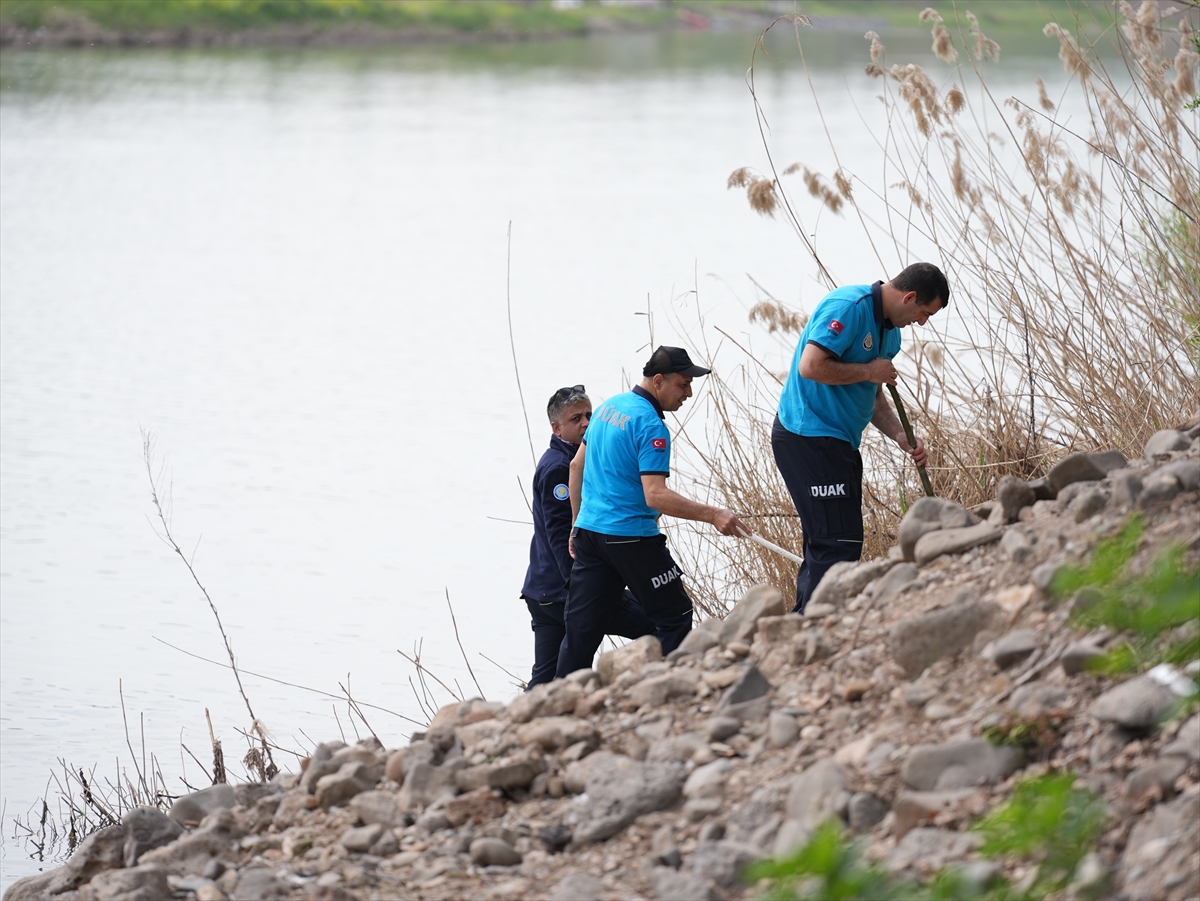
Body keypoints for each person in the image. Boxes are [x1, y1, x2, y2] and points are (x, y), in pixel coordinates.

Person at [555, 347, 749, 679]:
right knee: (675, 615)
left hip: (590, 537)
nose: (688, 393)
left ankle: (558, 704)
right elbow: (655, 495)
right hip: (631, 539)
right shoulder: (651, 425)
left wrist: (576, 523)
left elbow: (575, 467)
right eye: (683, 384)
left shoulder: (606, 408)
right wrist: (714, 514)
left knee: (580, 633)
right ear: (658, 381)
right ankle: (668, 691)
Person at [772, 263, 949, 613]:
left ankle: (800, 626)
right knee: (838, 543)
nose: (922, 322)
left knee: (833, 541)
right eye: (924, 313)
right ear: (910, 296)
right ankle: (817, 625)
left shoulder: (891, 335)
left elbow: (872, 396)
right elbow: (811, 366)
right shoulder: (848, 307)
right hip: (808, 435)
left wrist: (900, 434)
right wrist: (871, 370)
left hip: (840, 444)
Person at [520, 385, 653, 688]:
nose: (585, 423)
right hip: (563, 590)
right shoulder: (559, 468)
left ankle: (521, 728)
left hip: (543, 591)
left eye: (589, 415)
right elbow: (559, 533)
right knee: (659, 623)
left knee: (547, 680)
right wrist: (579, 587)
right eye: (575, 418)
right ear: (556, 427)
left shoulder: (582, 459)